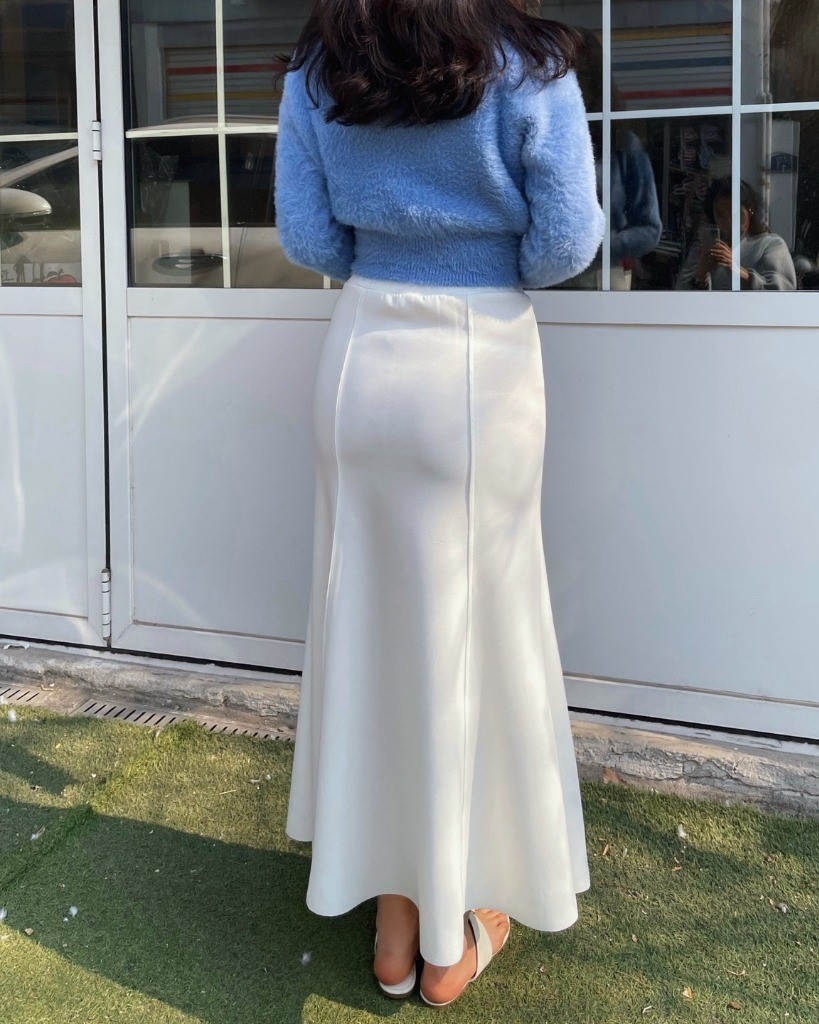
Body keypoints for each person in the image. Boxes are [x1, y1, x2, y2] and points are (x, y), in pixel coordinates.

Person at [274, 0, 605, 1007]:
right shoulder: (528, 64)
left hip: (362, 357)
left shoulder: (320, 65)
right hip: (478, 361)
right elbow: (565, 241)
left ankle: (393, 920)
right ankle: (451, 935)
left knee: (373, 630)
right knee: (477, 634)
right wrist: (485, 266)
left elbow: (308, 235)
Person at [675, 177, 797, 290]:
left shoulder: (771, 245)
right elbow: (681, 294)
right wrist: (700, 277)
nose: (728, 221)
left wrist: (738, 271)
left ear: (750, 210)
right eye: (721, 214)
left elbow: (781, 292)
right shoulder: (705, 248)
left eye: (735, 212)